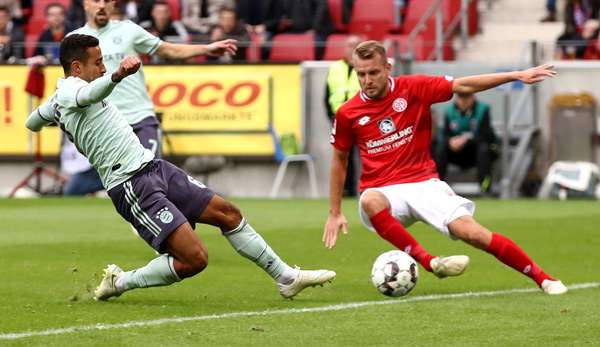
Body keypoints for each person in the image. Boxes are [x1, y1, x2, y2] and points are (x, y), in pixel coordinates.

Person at [26, 34, 335, 301]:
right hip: (130, 184)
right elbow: (89, 93)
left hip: (154, 168)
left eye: (106, 62)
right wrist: (117, 75)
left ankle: (286, 278)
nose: (104, 67)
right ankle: (119, 282)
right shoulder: (70, 92)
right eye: (98, 62)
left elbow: (32, 121)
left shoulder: (59, 99)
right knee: (194, 259)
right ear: (77, 67)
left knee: (229, 213)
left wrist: (48, 113)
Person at [322, 40, 567, 295]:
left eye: (373, 72)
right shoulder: (348, 113)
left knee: (473, 233)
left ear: (387, 68)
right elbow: (340, 159)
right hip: (385, 193)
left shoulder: (414, 87)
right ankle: (431, 263)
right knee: (369, 200)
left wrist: (515, 75)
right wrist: (335, 211)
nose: (367, 80)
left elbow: (464, 84)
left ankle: (544, 279)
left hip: (423, 184)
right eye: (361, 74)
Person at [69, 0, 237, 157]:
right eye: (96, 0)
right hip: (106, 123)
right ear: (85, 4)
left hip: (140, 117)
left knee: (151, 176)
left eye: (107, 1)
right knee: (120, 184)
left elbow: (168, 50)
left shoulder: (128, 29)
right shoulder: (74, 40)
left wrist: (206, 49)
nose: (102, 5)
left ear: (113, 4)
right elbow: (71, 85)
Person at [434, 92, 498, 194]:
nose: (464, 101)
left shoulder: (483, 109)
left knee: (484, 149)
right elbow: (445, 134)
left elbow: (486, 134)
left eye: (467, 97)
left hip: (475, 152)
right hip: (457, 153)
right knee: (440, 148)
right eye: (461, 97)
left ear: (473, 97)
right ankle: (438, 188)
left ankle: (485, 188)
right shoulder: (449, 111)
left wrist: (466, 140)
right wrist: (450, 142)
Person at [324, 34, 361, 196]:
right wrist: (331, 116)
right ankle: (347, 190)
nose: (351, 49)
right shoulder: (335, 67)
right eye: (349, 45)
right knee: (342, 154)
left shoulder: (365, 67)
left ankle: (370, 187)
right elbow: (326, 95)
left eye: (355, 45)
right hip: (339, 118)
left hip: (362, 117)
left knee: (369, 153)